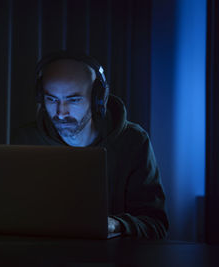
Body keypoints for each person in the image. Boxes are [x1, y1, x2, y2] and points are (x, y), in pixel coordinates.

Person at [11, 51, 169, 239]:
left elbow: (156, 225)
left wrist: (115, 225)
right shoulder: (26, 139)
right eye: (51, 99)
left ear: (98, 99)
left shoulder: (133, 141)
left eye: (74, 99)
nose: (60, 113)